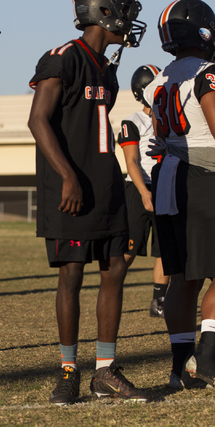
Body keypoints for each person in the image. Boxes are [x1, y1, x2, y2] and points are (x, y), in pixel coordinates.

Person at [27, 0, 148, 405]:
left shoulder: (105, 68)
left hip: (105, 183)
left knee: (115, 268)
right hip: (70, 186)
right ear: (104, 14)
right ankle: (68, 370)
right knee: (72, 274)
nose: (129, 23)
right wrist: (67, 176)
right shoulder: (63, 58)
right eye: (124, 13)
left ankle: (104, 371)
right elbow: (37, 119)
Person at [143, 0, 215, 389]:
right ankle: (206, 359)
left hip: (169, 179)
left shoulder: (159, 80)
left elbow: (160, 135)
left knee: (182, 279)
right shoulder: (207, 74)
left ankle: (178, 368)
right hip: (204, 178)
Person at [117, 64, 170, 318]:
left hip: (165, 187)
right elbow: (132, 162)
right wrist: (144, 192)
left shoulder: (169, 118)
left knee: (165, 249)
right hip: (139, 188)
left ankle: (158, 303)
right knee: (129, 248)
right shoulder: (132, 121)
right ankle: (112, 288)